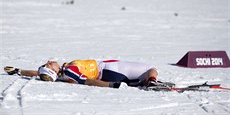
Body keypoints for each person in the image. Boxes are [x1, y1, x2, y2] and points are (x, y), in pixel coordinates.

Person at [4, 59, 161, 89]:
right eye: (49, 64)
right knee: (150, 68)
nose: (49, 61)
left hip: (109, 71)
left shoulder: (59, 76)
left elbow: (38, 74)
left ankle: (145, 82)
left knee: (137, 78)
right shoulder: (69, 71)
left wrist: (19, 71)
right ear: (53, 70)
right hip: (109, 70)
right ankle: (151, 81)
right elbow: (87, 82)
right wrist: (111, 85)